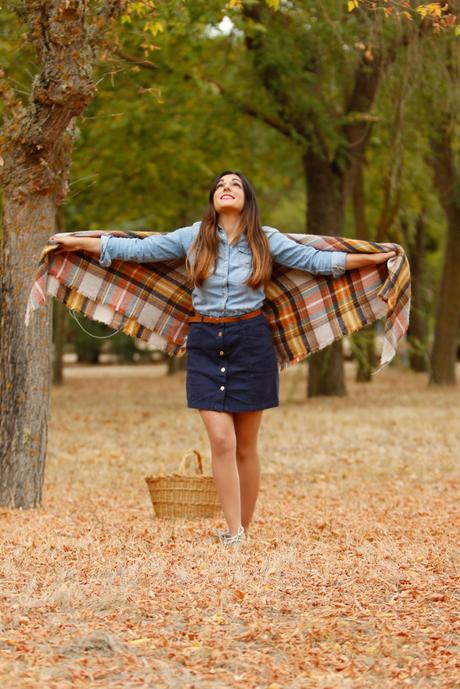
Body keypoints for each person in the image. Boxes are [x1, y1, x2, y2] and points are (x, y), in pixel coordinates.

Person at [49, 170, 396, 547]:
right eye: (219, 185)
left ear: (246, 197)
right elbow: (137, 251)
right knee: (221, 440)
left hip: (251, 341)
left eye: (234, 185)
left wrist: (376, 259)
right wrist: (78, 242)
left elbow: (318, 262)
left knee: (246, 446)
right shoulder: (193, 236)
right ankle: (234, 531)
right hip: (204, 341)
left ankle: (242, 529)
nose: (225, 189)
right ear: (213, 199)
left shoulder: (266, 240)